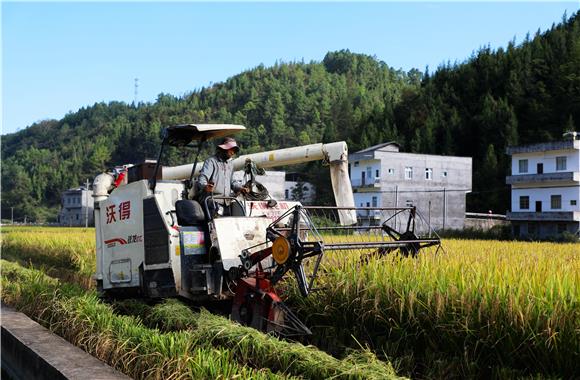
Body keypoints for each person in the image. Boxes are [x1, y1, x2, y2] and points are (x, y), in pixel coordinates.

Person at [196, 137, 248, 218]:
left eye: (234, 150)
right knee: (215, 227)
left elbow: (232, 182)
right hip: (213, 201)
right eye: (230, 149)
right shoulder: (211, 161)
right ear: (223, 149)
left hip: (226, 202)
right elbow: (202, 178)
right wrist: (205, 186)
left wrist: (240, 188)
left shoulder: (230, 164)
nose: (232, 152)